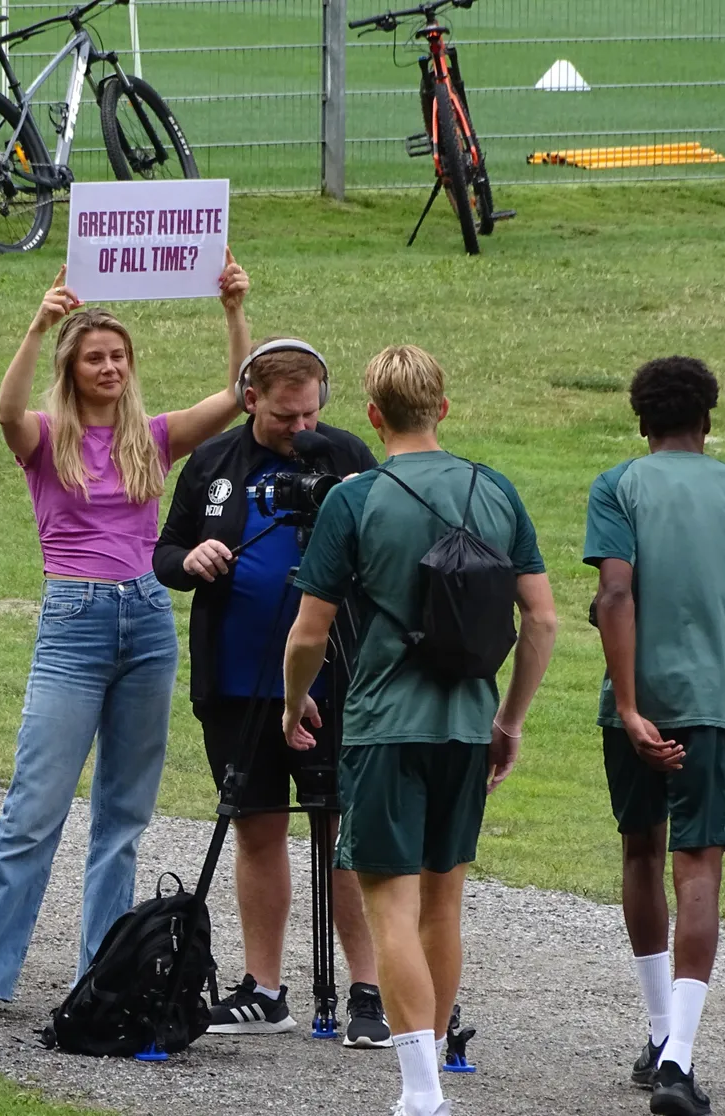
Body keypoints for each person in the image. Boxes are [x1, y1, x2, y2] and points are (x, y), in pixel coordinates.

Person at [0, 254, 251, 1017]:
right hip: (74, 621)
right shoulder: (46, 438)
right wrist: (37, 323)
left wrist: (233, 310)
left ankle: (102, 977)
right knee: (35, 806)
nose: (109, 366)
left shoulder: (150, 436)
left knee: (123, 817)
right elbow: (5, 411)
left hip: (146, 620)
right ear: (72, 368)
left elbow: (238, 397)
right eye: (94, 357)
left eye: (118, 356)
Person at [282, 345, 558, 1116]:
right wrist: (510, 718)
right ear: (444, 406)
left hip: (382, 726)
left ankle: (420, 1093)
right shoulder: (494, 490)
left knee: (391, 908)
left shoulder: (355, 499)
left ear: (372, 415)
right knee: (444, 905)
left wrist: (291, 701)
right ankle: (432, 1072)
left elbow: (310, 634)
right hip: (468, 725)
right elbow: (541, 617)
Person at [153, 336, 390, 1046]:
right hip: (236, 681)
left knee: (340, 833)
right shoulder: (215, 462)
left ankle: (368, 989)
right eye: (286, 416)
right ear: (251, 400)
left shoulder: (346, 456)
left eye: (310, 414)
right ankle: (264, 989)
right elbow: (163, 551)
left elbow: (386, 553)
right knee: (258, 828)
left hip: (339, 682)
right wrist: (190, 559)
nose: (300, 429)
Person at [584, 357, 725, 1116]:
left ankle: (658, 1032)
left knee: (641, 850)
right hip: (714, 705)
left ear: (642, 422)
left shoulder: (618, 485)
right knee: (697, 867)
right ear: (709, 419)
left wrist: (633, 710)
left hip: (632, 705)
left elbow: (612, 593)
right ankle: (679, 1062)